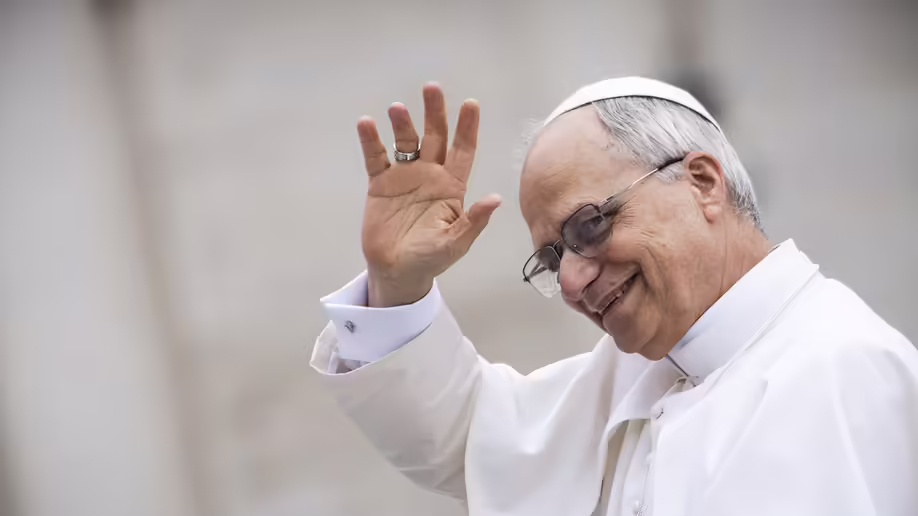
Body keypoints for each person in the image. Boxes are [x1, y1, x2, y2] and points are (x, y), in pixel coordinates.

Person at [309, 77, 918, 516]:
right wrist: (397, 284)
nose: (573, 282)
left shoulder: (838, 370)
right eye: (554, 258)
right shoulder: (647, 369)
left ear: (702, 183)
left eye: (590, 225)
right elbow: (472, 441)